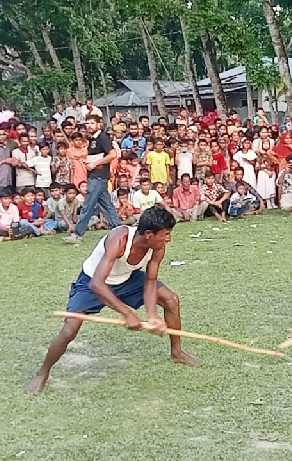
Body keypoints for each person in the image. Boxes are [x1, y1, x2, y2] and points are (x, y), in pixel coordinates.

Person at [27, 206, 198, 394]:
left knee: (171, 300)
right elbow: (97, 284)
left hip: (127, 279)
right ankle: (43, 373)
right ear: (149, 234)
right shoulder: (119, 238)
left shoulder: (157, 247)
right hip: (93, 281)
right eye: (165, 234)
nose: (168, 239)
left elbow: (150, 281)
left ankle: (177, 352)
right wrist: (127, 313)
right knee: (69, 330)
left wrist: (152, 316)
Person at [63, 115, 122, 244]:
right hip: (95, 176)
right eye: (87, 123)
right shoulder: (93, 139)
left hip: (98, 176)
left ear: (99, 124)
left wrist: (94, 164)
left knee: (88, 204)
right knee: (107, 205)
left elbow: (113, 154)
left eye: (92, 123)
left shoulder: (102, 138)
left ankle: (78, 234)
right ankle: (119, 230)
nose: (89, 125)